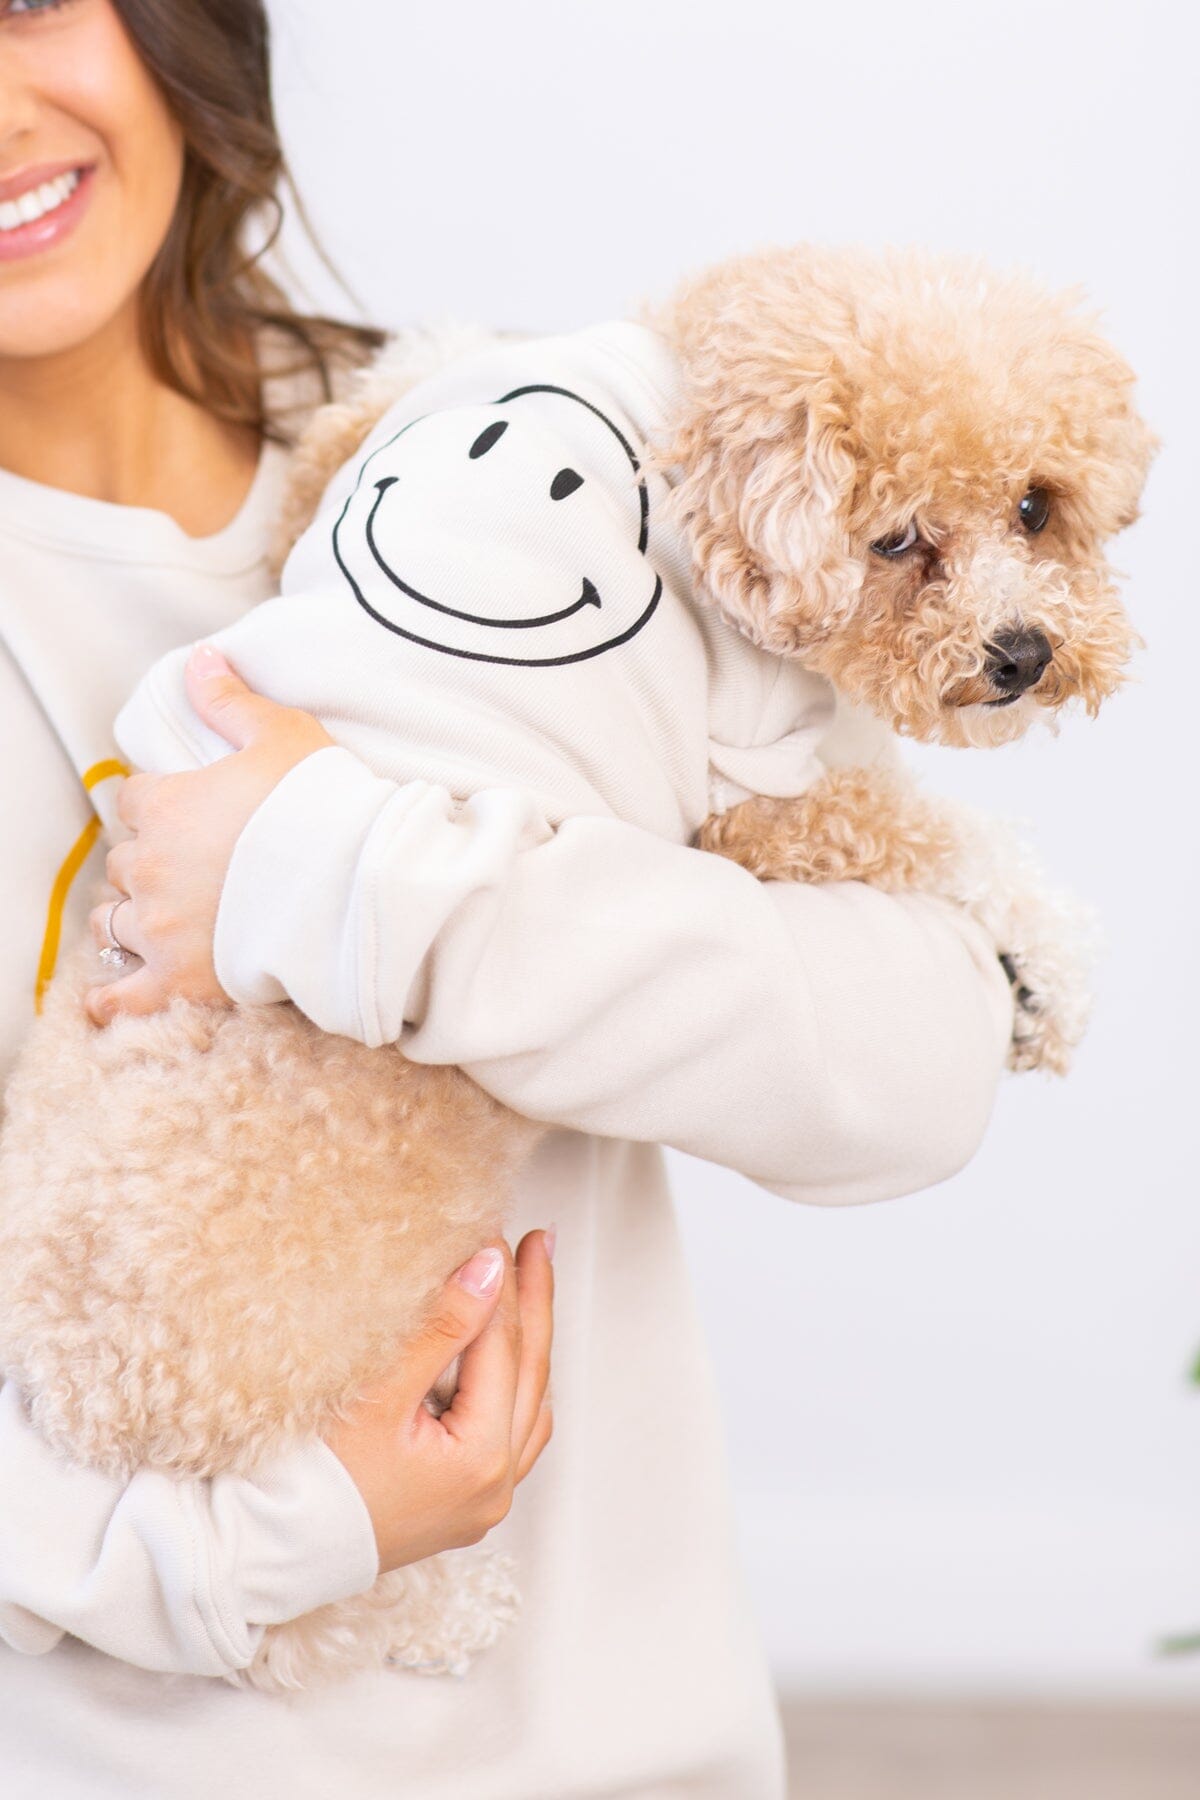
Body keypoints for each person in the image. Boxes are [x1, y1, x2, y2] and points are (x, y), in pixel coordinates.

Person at [0, 3, 1012, 1796]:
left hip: (636, 1735)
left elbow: (921, 1050)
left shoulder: (504, 448)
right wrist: (271, 1536)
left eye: (26, 2)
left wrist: (338, 873)